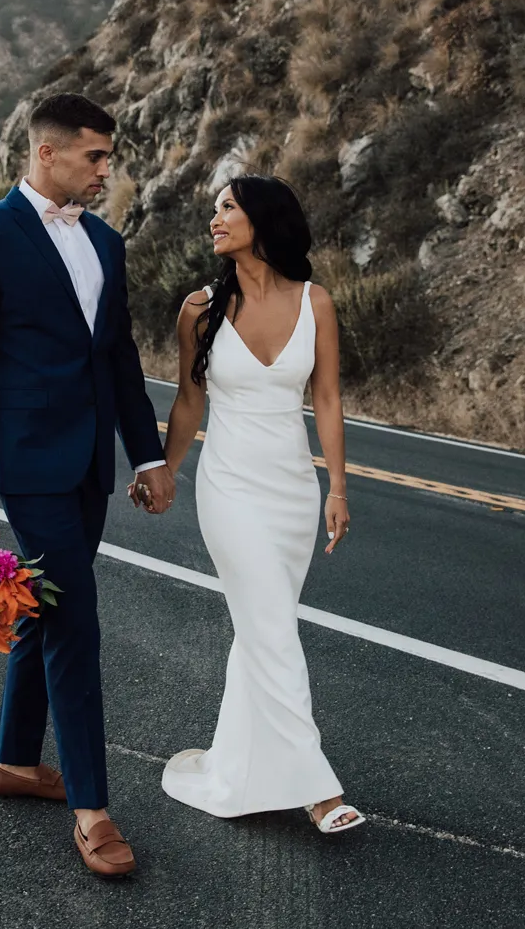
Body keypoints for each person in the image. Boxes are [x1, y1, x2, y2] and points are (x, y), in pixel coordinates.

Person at [0, 92, 176, 877]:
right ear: (48, 154)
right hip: (29, 463)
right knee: (76, 620)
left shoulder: (104, 242)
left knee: (40, 610)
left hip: (90, 466)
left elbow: (117, 359)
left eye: (108, 158)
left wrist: (147, 457)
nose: (106, 171)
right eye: (94, 157)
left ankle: (14, 762)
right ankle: (93, 810)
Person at [157, 175, 364, 834]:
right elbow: (191, 402)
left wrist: (337, 484)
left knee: (260, 631)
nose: (213, 218)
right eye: (214, 208)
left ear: (262, 221)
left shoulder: (317, 303)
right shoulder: (198, 308)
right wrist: (164, 470)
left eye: (226, 208)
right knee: (271, 628)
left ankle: (242, 771)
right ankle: (318, 791)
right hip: (230, 486)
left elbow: (326, 398)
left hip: (291, 490)